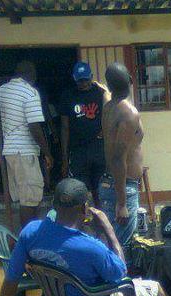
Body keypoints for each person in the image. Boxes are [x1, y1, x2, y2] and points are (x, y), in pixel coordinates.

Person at [0, 178, 171, 296]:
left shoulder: (30, 232)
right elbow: (120, 273)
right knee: (156, 289)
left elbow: (11, 277)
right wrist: (108, 231)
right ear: (84, 208)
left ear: (54, 206)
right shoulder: (90, 246)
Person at [0, 61, 54, 227]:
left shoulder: (0, 90)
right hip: (25, 152)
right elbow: (34, 126)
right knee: (30, 199)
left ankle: (27, 236)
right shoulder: (30, 92)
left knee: (23, 197)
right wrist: (47, 152)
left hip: (9, 152)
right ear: (32, 75)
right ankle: (28, 240)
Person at [99, 62, 144, 250]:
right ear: (131, 80)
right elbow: (118, 158)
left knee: (111, 243)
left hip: (110, 184)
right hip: (123, 186)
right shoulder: (129, 114)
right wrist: (122, 203)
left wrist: (105, 91)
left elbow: (112, 97)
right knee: (122, 248)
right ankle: (122, 280)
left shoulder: (109, 107)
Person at [59, 62, 110, 206]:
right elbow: (64, 127)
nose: (83, 83)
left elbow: (113, 112)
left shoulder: (101, 94)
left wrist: (105, 130)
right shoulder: (68, 96)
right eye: (80, 80)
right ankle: (83, 221)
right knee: (80, 190)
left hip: (99, 149)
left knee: (101, 189)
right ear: (75, 79)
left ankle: (102, 220)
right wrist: (64, 157)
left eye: (86, 80)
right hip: (78, 151)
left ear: (91, 77)